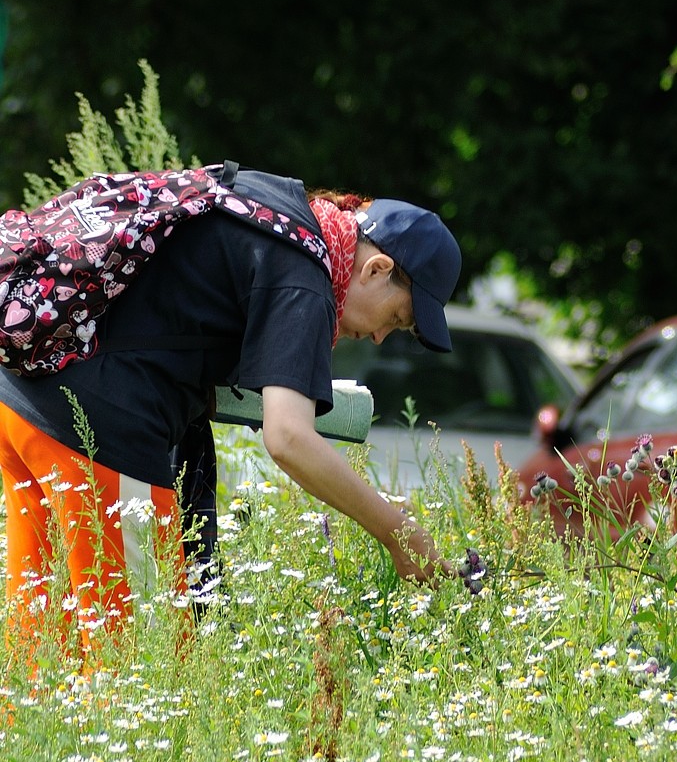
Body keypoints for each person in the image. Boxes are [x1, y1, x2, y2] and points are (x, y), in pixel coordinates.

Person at [0, 162, 462, 652]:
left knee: (44, 654)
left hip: (21, 404)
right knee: (146, 670)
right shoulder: (307, 274)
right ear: (377, 269)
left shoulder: (265, 207)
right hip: (102, 439)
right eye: (396, 318)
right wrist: (399, 533)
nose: (377, 336)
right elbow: (289, 438)